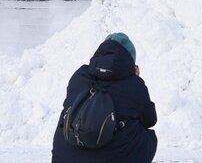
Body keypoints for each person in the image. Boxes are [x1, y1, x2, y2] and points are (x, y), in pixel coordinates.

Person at [52, 32, 158, 163]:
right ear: (130, 59)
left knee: (66, 114)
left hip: (63, 158)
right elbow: (150, 119)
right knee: (148, 137)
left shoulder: (80, 75)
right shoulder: (134, 84)